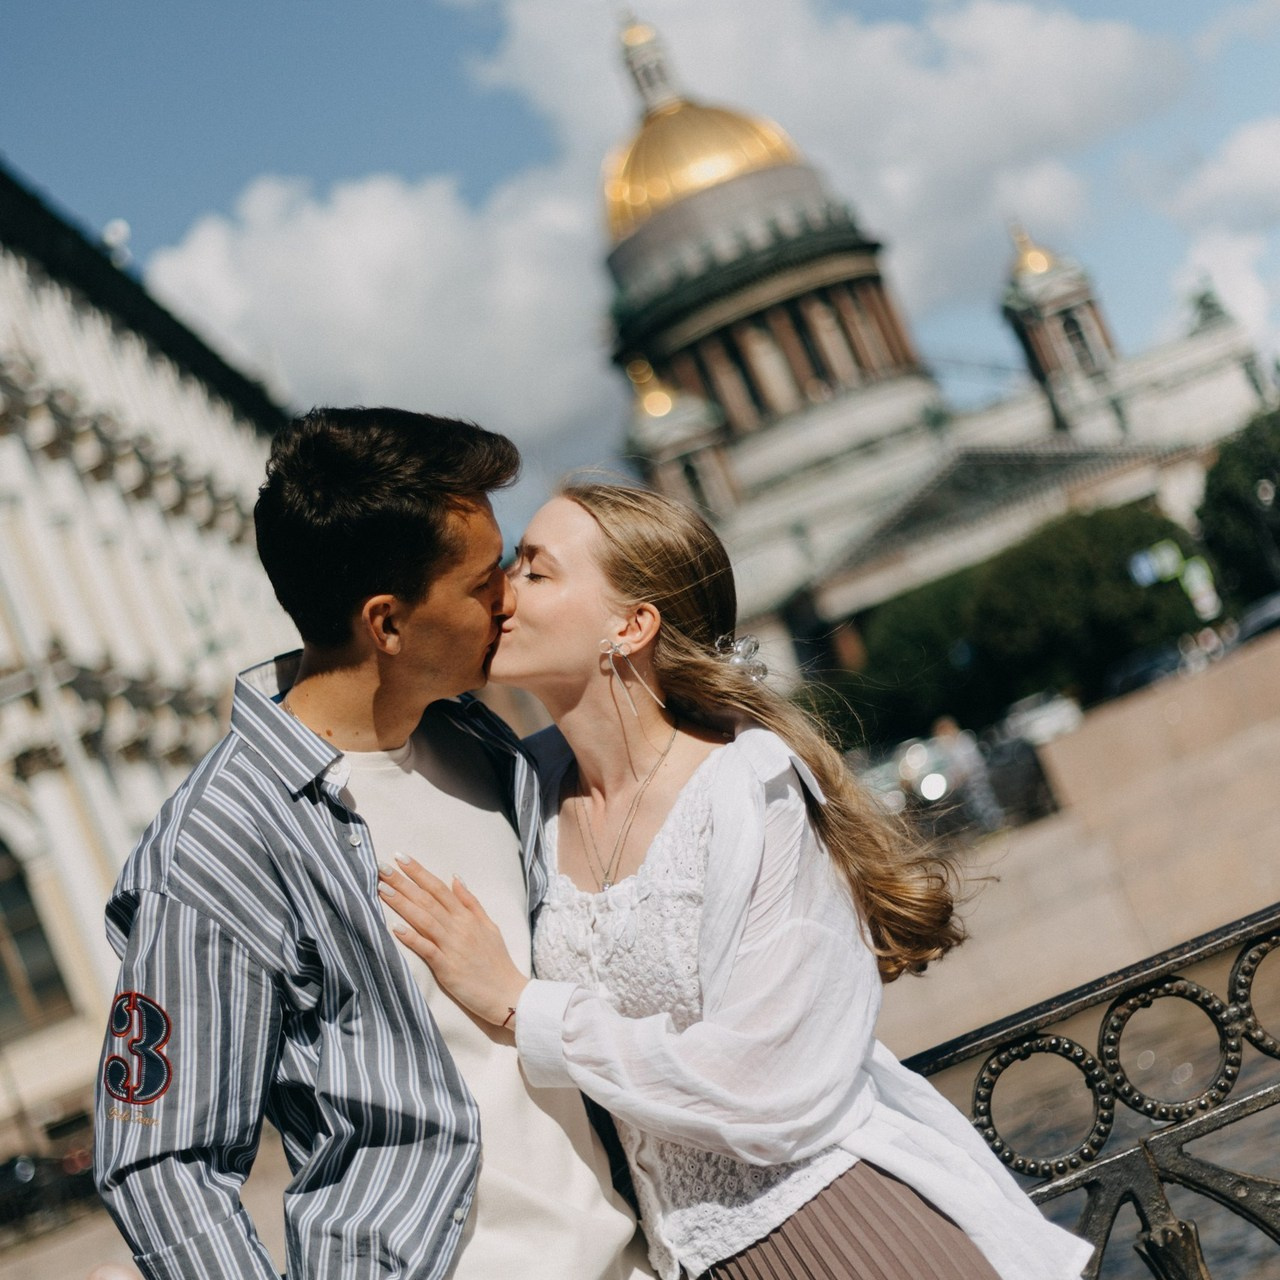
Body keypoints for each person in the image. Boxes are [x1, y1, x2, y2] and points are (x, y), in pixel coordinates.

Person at [378, 483, 1093, 1280]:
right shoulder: (523, 790)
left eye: (537, 572)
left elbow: (768, 1084)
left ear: (631, 625)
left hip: (844, 1238)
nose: (502, 590)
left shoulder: (749, 791)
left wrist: (523, 1004)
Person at [93, 410, 648, 1280]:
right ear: (386, 624)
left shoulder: (485, 745)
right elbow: (159, 1163)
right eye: (480, 581)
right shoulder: (219, 843)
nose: (509, 594)